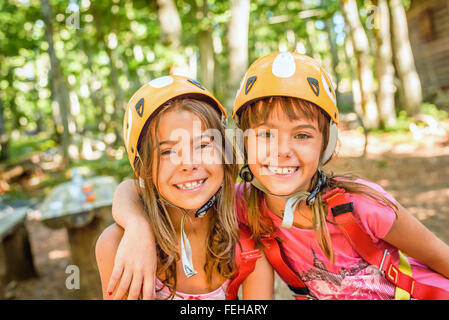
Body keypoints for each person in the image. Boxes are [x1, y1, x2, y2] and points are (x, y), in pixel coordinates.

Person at [105, 53, 449, 300]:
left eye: (301, 135)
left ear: (325, 144)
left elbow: (439, 257)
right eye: (265, 135)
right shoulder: (242, 206)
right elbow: (130, 189)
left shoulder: (362, 206)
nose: (282, 151)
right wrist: (137, 226)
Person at [95, 75, 273, 300]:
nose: (188, 164)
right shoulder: (117, 245)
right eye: (167, 152)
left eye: (202, 145)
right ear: (144, 169)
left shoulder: (248, 243)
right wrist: (137, 225)